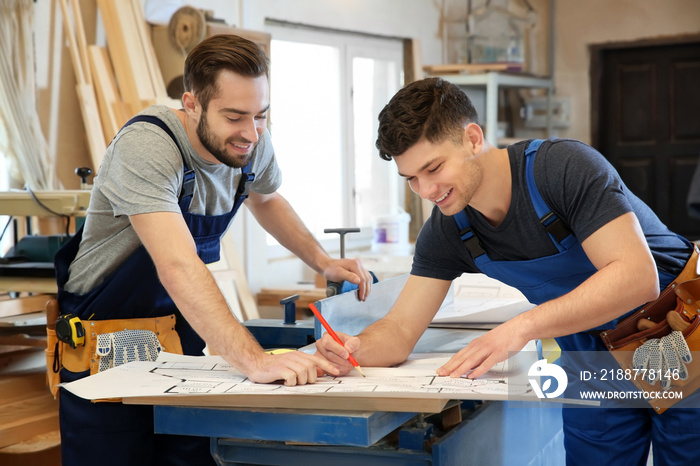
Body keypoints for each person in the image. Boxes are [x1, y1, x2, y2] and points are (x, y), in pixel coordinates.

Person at [315, 76, 700, 465]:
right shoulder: (448, 229)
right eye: (411, 178)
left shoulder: (562, 169)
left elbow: (636, 278)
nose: (426, 190)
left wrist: (519, 327)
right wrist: (357, 347)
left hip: (678, 329)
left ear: (472, 138)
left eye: (433, 168)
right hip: (591, 353)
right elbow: (399, 330)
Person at [53, 34, 373, 466]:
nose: (251, 133)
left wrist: (321, 260)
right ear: (192, 104)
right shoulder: (149, 145)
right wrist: (253, 359)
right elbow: (177, 265)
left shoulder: (252, 141)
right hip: (105, 345)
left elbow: (266, 198)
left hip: (176, 339)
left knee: (189, 455)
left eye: (261, 115)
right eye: (235, 116)